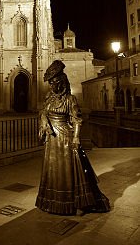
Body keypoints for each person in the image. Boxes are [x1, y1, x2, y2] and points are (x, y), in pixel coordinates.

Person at [35, 60, 110, 216]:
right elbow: (43, 112)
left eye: (54, 83)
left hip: (65, 138)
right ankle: (52, 201)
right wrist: (43, 122)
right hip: (52, 140)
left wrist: (76, 138)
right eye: (50, 83)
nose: (51, 86)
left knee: (68, 171)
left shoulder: (70, 100)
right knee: (54, 170)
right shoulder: (49, 98)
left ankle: (71, 202)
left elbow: (77, 119)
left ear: (61, 83)